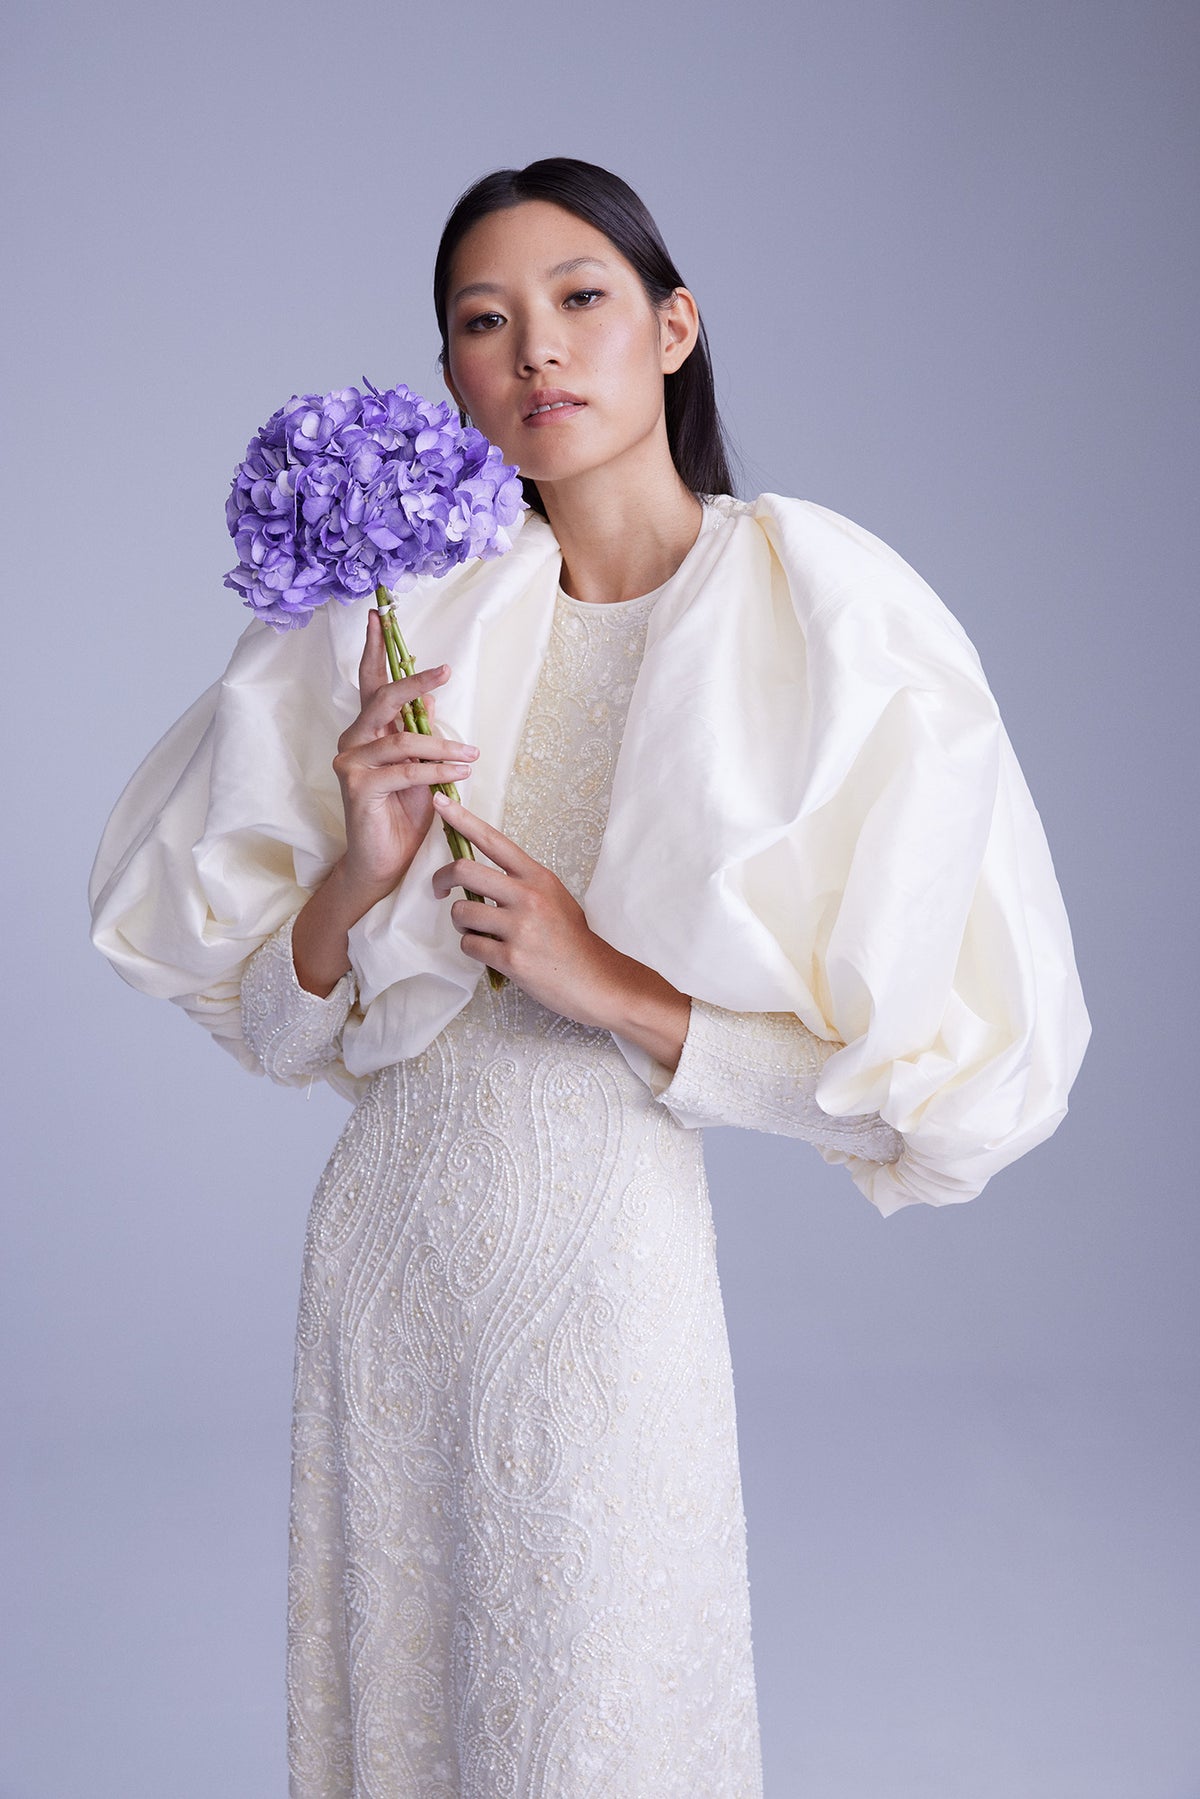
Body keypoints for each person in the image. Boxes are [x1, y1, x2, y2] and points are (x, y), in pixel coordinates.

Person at [89, 157, 1090, 1796]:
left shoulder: (818, 616)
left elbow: (926, 1102)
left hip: (605, 1277)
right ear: (450, 376)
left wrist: (604, 978)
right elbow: (279, 1031)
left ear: (674, 327)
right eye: (483, 322)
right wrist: (358, 870)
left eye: (579, 299)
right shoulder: (410, 617)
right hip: (381, 1271)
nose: (535, 349)